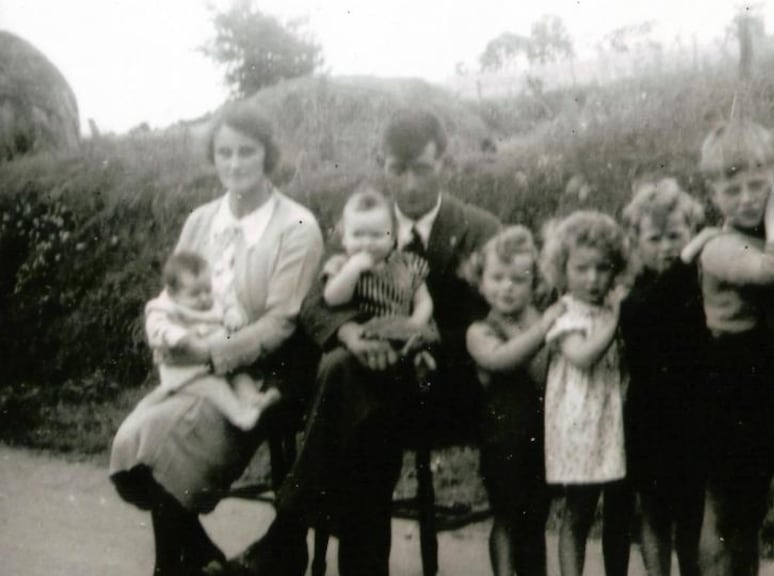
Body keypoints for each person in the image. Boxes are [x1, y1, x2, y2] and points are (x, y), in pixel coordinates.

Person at [225, 109, 500, 576]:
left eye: (422, 169)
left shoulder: (478, 229)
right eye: (397, 169)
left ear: (445, 165)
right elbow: (316, 302)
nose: (410, 184)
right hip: (370, 389)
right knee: (358, 407)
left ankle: (285, 538)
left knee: (342, 380)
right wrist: (351, 333)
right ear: (382, 165)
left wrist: (407, 338)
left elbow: (494, 317)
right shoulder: (367, 223)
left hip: (441, 389)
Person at [109, 104, 324, 576]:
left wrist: (212, 352)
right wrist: (171, 337)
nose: (234, 164)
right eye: (224, 152)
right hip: (194, 373)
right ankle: (203, 555)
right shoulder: (200, 221)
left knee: (164, 450)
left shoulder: (297, 226)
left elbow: (282, 322)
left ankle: (172, 567)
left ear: (268, 155)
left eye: (246, 152)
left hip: (263, 373)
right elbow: (175, 297)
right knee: (131, 445)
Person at [691, 119, 774, 576]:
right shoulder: (718, 246)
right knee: (724, 508)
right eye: (733, 190)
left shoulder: (762, 235)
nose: (748, 198)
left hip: (764, 373)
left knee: (752, 508)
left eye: (759, 185)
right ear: (714, 194)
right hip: (730, 374)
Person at [619, 177, 709, 576]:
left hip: (695, 413)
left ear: (691, 231)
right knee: (653, 511)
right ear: (636, 242)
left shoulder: (703, 284)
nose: (668, 248)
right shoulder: (635, 293)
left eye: (677, 236)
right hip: (649, 416)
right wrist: (692, 255)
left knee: (692, 514)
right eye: (654, 239)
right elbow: (646, 314)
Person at [540, 210, 633, 576]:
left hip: (613, 420)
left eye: (603, 268)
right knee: (579, 512)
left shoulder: (610, 310)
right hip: (580, 425)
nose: (593, 279)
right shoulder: (565, 314)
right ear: (562, 269)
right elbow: (581, 357)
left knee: (619, 512)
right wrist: (613, 322)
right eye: (581, 269)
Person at [464, 226, 560, 576]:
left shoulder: (541, 319)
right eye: (497, 277)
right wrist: (545, 329)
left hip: (542, 438)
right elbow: (501, 359)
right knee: (506, 516)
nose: (507, 287)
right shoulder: (480, 331)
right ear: (481, 281)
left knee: (535, 519)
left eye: (518, 279)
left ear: (535, 285)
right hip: (502, 443)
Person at [138, 251, 282, 430]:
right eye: (195, 294)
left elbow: (230, 303)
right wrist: (177, 337)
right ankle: (241, 417)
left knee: (240, 375)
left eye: (207, 290)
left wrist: (233, 315)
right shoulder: (163, 307)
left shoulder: (214, 295)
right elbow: (157, 328)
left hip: (219, 359)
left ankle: (253, 401)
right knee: (216, 387)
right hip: (189, 370)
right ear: (171, 292)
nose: (205, 297)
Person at [321, 186, 436, 369]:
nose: (367, 242)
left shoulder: (408, 263)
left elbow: (423, 300)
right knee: (338, 365)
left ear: (392, 239)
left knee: (425, 356)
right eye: (357, 234)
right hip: (364, 335)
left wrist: (415, 324)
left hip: (404, 330)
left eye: (376, 235)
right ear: (344, 239)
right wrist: (353, 269)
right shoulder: (340, 265)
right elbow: (332, 299)